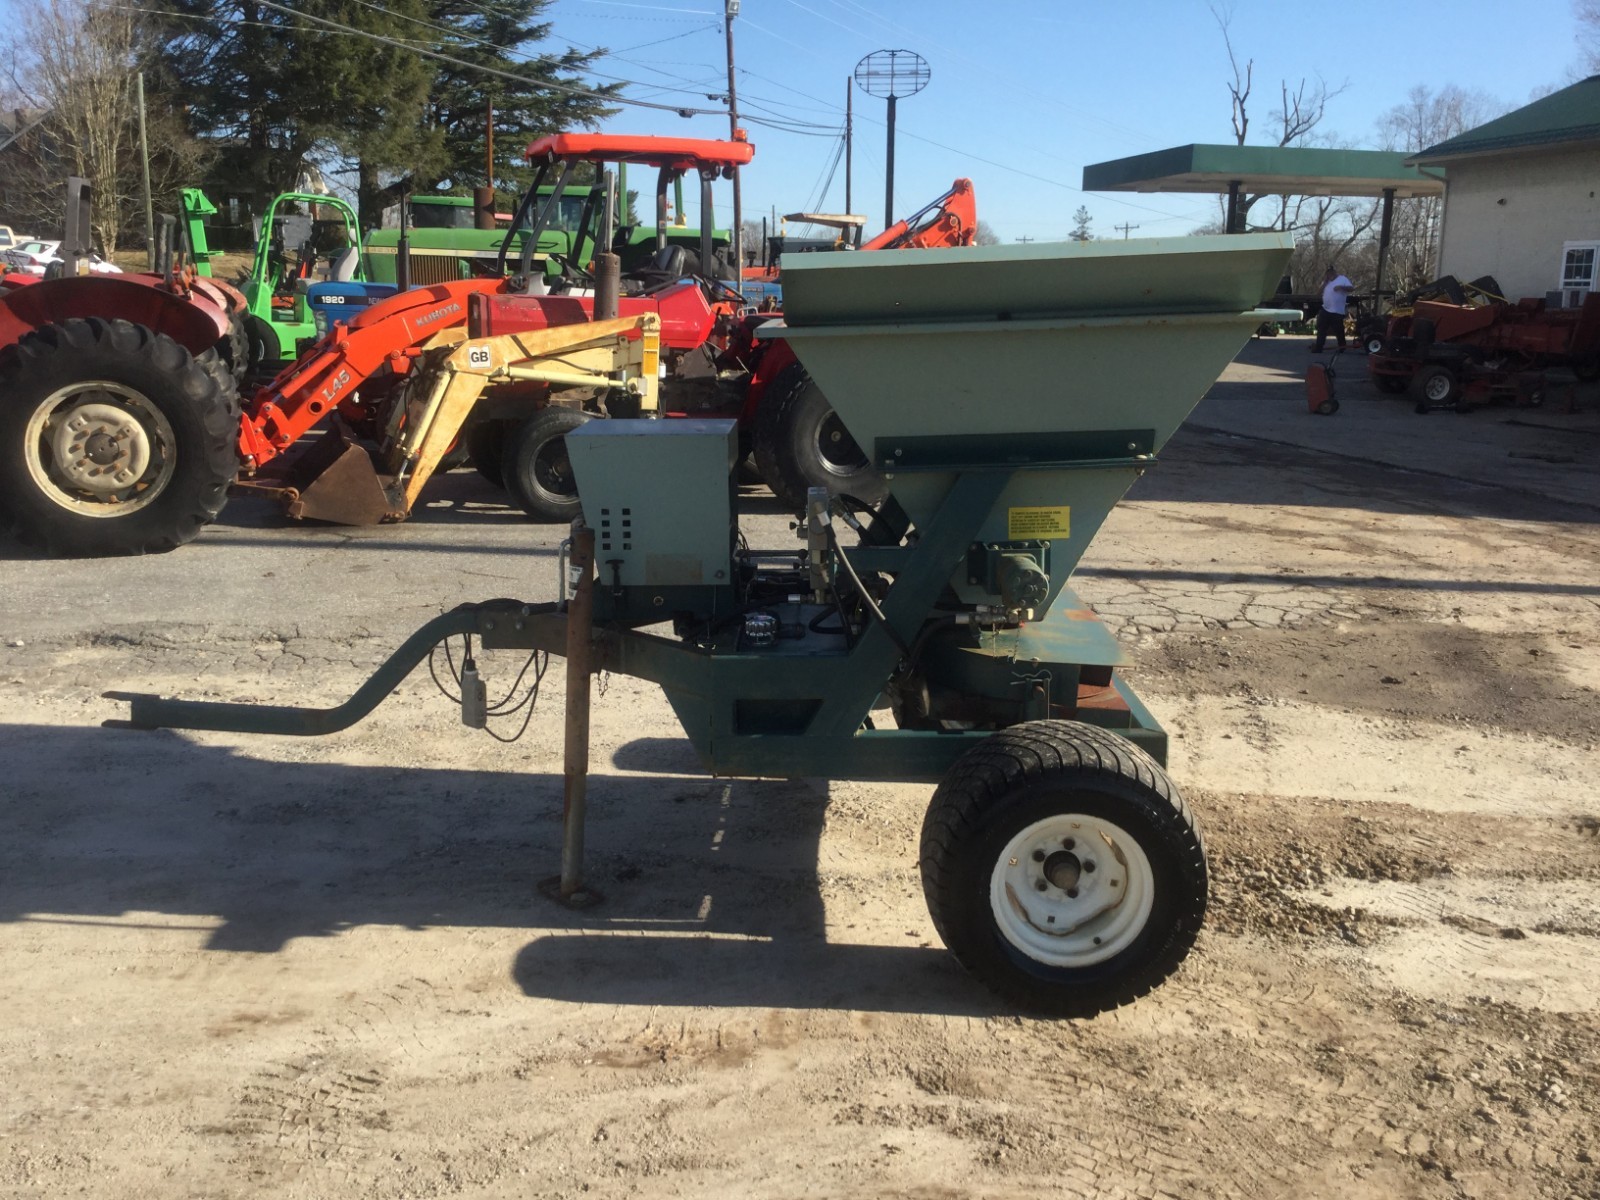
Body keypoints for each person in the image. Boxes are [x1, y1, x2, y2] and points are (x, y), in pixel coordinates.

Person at [1313, 266, 1353, 352]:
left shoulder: (1342, 279)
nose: (1329, 275)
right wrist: (1324, 283)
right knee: (1321, 328)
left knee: (1338, 330)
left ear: (1334, 272)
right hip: (1325, 309)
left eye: (1331, 273)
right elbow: (1318, 293)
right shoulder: (1326, 282)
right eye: (1327, 274)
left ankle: (1342, 347)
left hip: (1337, 311)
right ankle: (1319, 347)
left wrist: (1341, 287)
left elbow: (1351, 288)